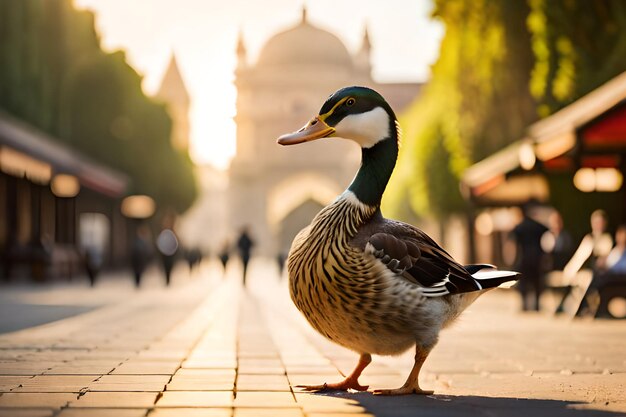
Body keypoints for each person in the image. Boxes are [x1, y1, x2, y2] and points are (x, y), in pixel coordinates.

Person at [556, 209, 613, 315]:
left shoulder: (606, 239)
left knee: (588, 280)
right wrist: (570, 269)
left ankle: (579, 309)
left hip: (598, 274)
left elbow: (603, 260)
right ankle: (562, 307)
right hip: (585, 272)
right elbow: (579, 257)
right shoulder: (588, 238)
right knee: (576, 279)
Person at [575, 224, 626, 317]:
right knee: (592, 279)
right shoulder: (616, 251)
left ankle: (584, 308)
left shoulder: (621, 252)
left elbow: (620, 268)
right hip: (611, 278)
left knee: (595, 281)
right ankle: (585, 307)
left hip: (617, 279)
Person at [511, 201, 549, 311]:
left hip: (523, 258)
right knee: (536, 282)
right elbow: (547, 234)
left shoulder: (519, 227)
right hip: (537, 258)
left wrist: (512, 260)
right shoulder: (538, 226)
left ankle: (524, 305)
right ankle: (537, 305)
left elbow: (513, 245)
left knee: (523, 283)